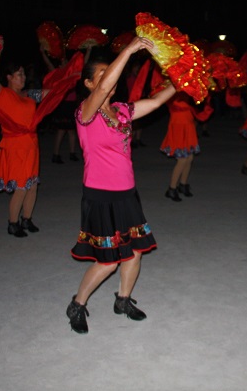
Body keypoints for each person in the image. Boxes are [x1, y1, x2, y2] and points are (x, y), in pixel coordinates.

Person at [66, 36, 177, 334]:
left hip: (127, 193)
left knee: (135, 251)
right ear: (88, 84)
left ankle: (123, 300)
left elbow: (156, 102)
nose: (109, 78)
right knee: (108, 261)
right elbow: (103, 89)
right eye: (102, 74)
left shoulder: (122, 111)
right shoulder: (85, 112)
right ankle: (77, 304)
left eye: (110, 72)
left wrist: (183, 80)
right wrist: (128, 50)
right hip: (100, 196)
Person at [0, 38, 54, 238]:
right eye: (19, 74)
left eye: (23, 74)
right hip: (15, 146)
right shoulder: (3, 94)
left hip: (31, 145)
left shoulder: (28, 95)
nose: (23, 77)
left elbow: (51, 93)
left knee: (32, 185)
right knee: (21, 186)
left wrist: (68, 79)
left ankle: (26, 219)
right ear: (9, 77)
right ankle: (12, 223)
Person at [160, 93, 211, 201]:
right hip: (178, 125)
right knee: (182, 160)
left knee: (189, 158)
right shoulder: (174, 91)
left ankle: (183, 184)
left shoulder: (189, 90)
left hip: (188, 124)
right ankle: (172, 188)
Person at [40, 47, 81, 164]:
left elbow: (83, 64)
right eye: (64, 62)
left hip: (71, 104)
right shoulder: (58, 74)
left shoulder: (72, 73)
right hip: (63, 104)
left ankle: (72, 153)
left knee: (72, 130)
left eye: (67, 61)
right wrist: (43, 53)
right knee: (61, 130)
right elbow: (49, 65)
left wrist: (88, 51)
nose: (66, 63)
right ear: (60, 65)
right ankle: (55, 154)